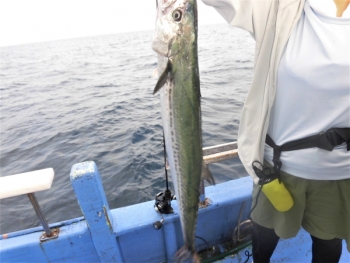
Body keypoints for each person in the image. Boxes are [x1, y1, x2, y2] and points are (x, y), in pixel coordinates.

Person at [201, 0, 350, 262]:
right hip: (277, 170)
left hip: (341, 174)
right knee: (264, 234)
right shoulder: (277, 7)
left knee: (329, 240)